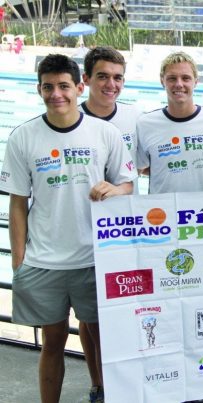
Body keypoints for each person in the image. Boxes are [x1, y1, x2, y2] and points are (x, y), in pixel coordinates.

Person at [0, 54, 135, 403]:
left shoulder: (105, 133)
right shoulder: (23, 137)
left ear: (79, 87)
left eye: (63, 86)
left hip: (95, 259)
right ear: (39, 89)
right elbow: (17, 202)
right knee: (52, 344)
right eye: (48, 87)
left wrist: (114, 188)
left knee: (105, 339)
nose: (55, 94)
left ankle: (106, 393)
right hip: (44, 262)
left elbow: (128, 186)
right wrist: (19, 261)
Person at [77, 45, 143, 402]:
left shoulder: (134, 118)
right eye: (102, 76)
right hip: (84, 237)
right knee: (90, 320)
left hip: (128, 236)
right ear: (86, 79)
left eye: (117, 78)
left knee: (128, 313)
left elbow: (145, 166)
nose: (110, 84)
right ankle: (99, 384)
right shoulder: (70, 117)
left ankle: (126, 381)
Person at [136, 51, 203, 194]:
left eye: (186, 78)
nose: (179, 84)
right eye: (172, 78)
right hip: (161, 212)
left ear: (196, 81)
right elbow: (139, 167)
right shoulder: (145, 124)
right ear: (162, 81)